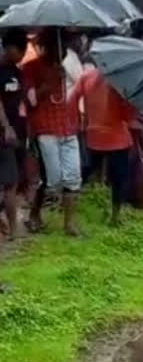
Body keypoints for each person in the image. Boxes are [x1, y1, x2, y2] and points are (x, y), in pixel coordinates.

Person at [23, 29, 82, 236]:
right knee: (51, 178)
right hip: (45, 129)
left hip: (68, 126)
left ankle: (70, 224)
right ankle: (34, 215)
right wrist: (49, 84)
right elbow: (30, 100)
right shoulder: (32, 68)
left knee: (73, 177)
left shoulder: (69, 66)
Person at [69, 68, 137, 226]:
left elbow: (71, 100)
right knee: (119, 179)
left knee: (83, 174)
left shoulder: (86, 76)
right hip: (118, 138)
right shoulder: (121, 81)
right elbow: (128, 115)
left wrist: (77, 122)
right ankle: (115, 216)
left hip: (93, 136)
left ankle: (69, 208)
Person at [0, 29, 28, 240]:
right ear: (9, 48)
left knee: (12, 181)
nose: (23, 54)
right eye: (21, 50)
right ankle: (14, 230)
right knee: (10, 182)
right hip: (4, 134)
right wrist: (6, 126)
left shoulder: (16, 72)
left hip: (16, 132)